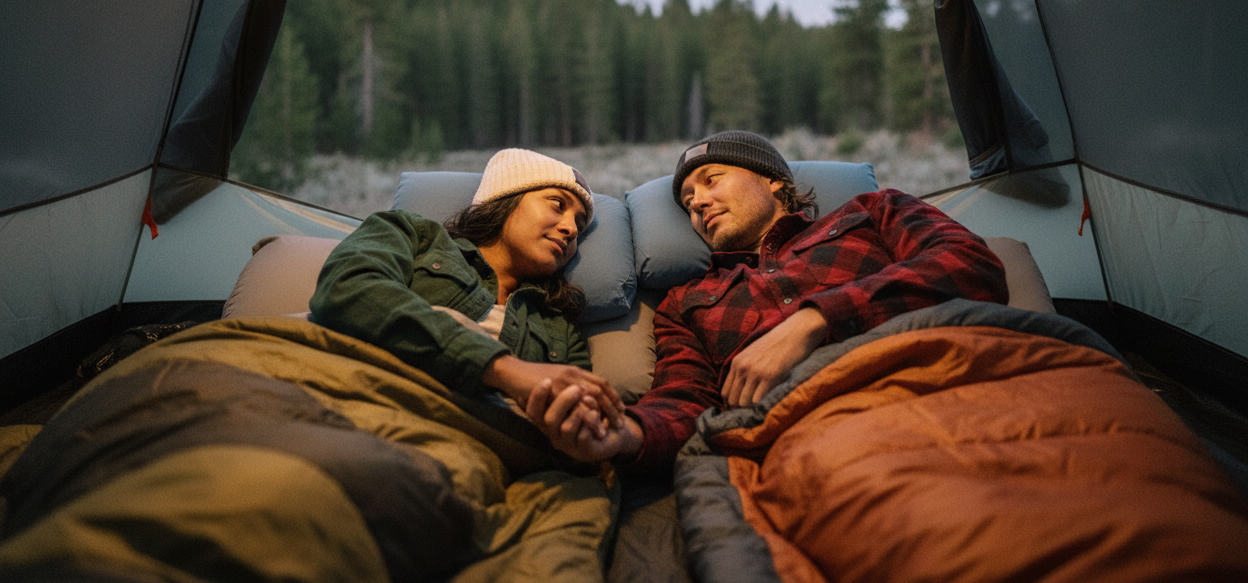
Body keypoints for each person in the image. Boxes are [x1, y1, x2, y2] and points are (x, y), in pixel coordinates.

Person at [525, 130, 1009, 471]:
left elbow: (970, 266)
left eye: (711, 179)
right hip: (828, 435)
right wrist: (625, 436)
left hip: (967, 387)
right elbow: (685, 401)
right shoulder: (689, 302)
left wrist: (813, 321)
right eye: (688, 200)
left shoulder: (874, 213)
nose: (696, 202)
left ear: (773, 179)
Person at [311, 147, 624, 431]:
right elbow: (347, 287)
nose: (571, 229)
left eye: (580, 226)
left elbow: (581, 417)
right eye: (557, 205)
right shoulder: (416, 236)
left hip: (469, 439)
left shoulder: (558, 326)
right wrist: (502, 368)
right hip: (352, 398)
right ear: (506, 198)